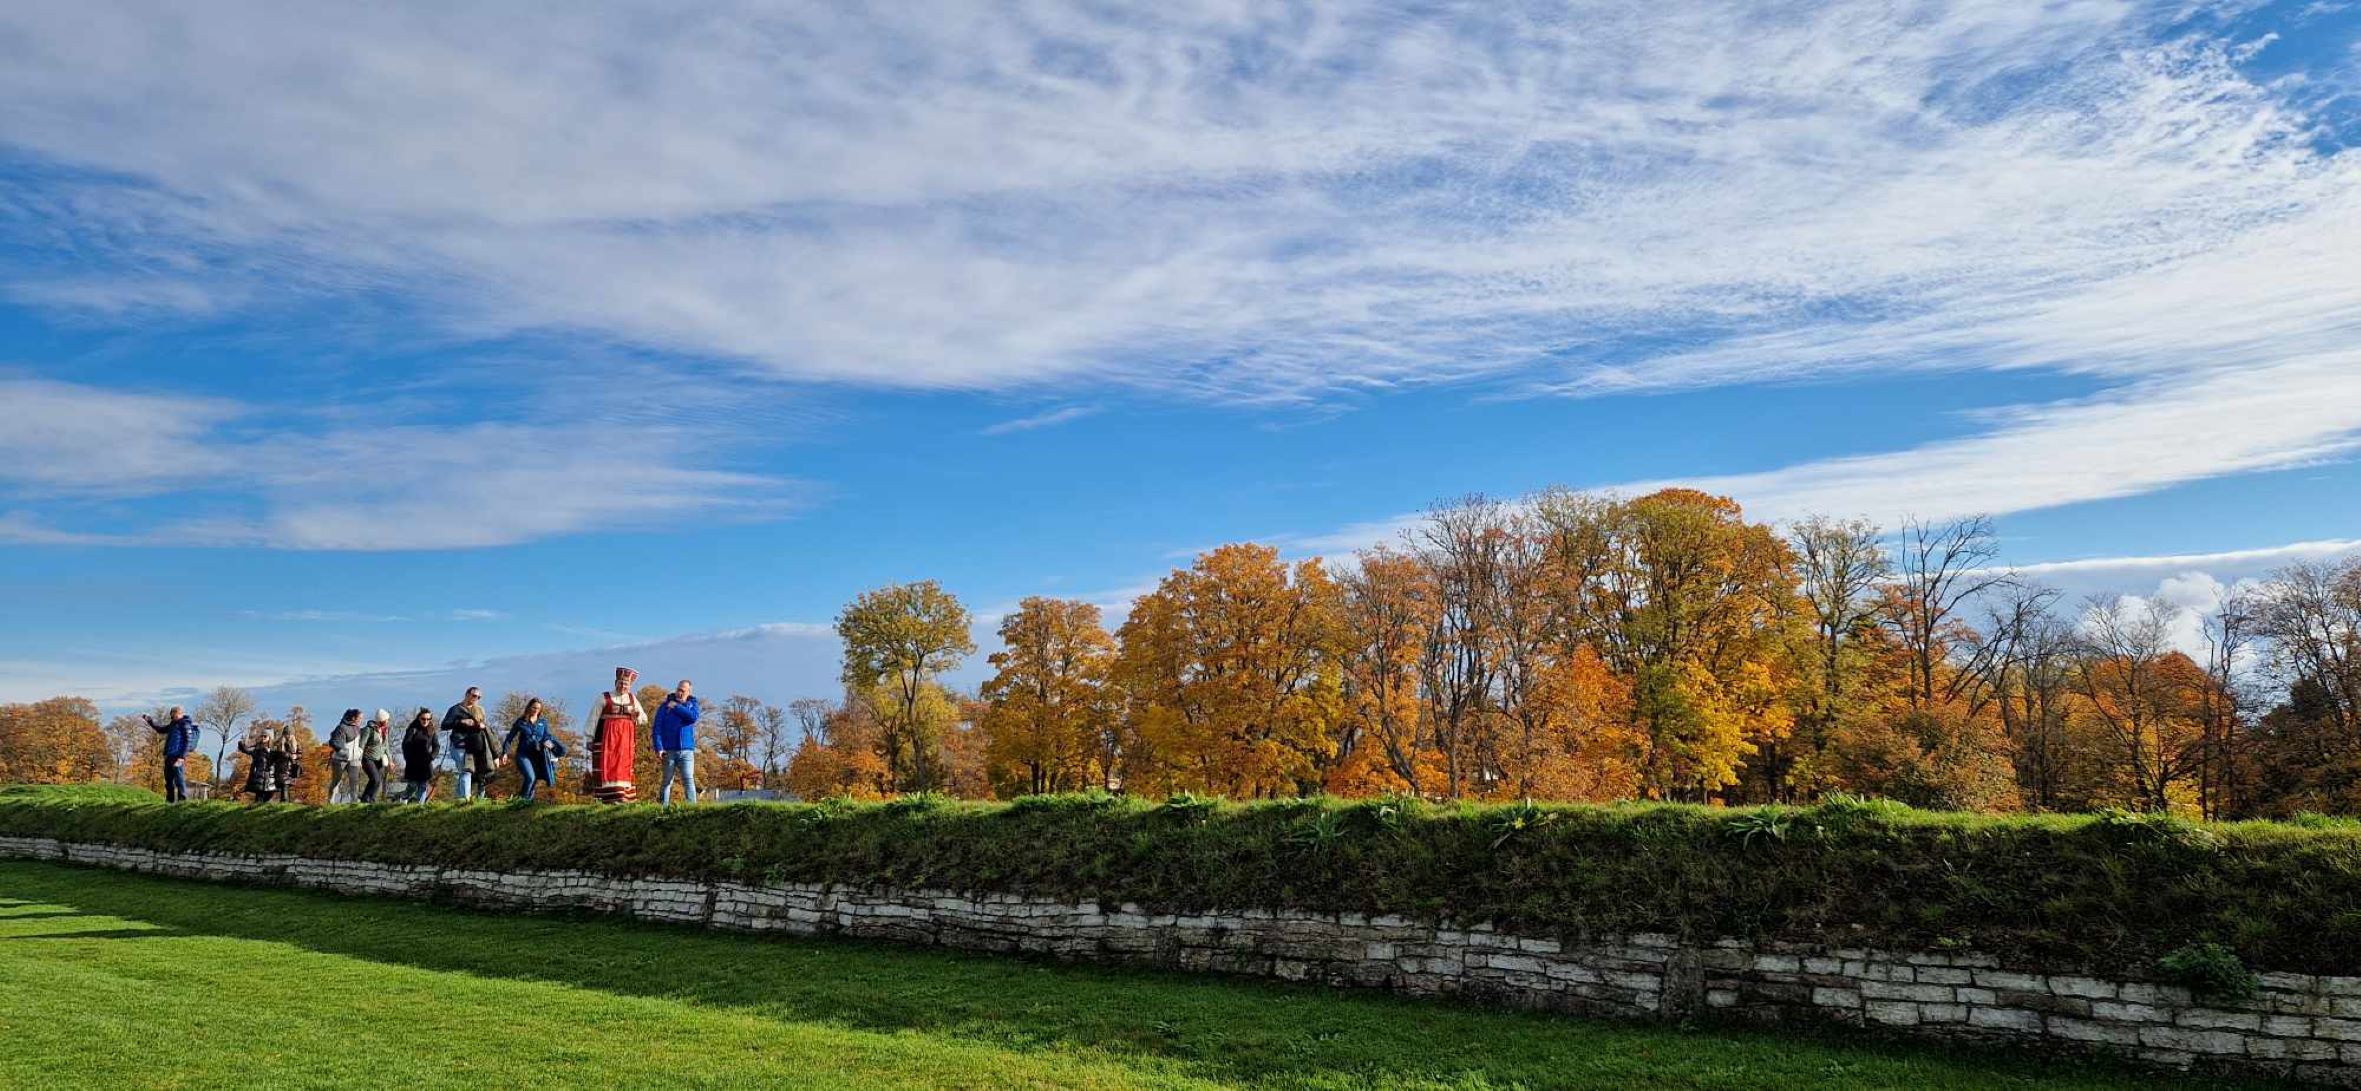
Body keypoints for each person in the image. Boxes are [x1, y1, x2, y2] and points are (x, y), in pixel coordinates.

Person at [588, 666, 645, 803]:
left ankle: (623, 796)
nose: (623, 686)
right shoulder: (604, 697)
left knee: (622, 765)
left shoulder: (632, 699)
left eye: (626, 684)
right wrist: (589, 737)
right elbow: (593, 718)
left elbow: (643, 718)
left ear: (630, 686)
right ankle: (607, 797)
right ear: (615, 683)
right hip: (606, 738)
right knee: (607, 765)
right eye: (621, 683)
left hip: (625, 740)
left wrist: (637, 715)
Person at [500, 698, 565, 802]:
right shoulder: (521, 721)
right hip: (523, 755)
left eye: (538, 708)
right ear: (529, 707)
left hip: (538, 756)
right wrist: (504, 753)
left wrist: (549, 743)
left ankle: (525, 802)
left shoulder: (543, 722)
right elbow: (509, 738)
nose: (536, 710)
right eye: (534, 707)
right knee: (530, 777)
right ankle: (521, 802)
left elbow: (547, 736)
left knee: (534, 780)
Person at [442, 686, 497, 800]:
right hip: (460, 745)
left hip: (476, 746)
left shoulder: (480, 710)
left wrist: (482, 726)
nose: (476, 698)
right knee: (465, 770)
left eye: (478, 697)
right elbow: (444, 725)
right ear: (467, 694)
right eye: (474, 695)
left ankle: (460, 799)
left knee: (476, 773)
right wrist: (461, 722)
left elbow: (486, 729)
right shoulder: (456, 709)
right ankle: (466, 798)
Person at [652, 679, 701, 805]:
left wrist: (677, 707)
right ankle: (663, 809)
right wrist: (659, 747)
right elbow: (657, 728)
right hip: (669, 750)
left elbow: (692, 717)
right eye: (678, 689)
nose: (679, 693)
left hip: (687, 751)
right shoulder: (664, 707)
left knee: (688, 779)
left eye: (683, 691)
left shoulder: (692, 705)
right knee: (667, 781)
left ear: (688, 692)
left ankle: (692, 809)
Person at [142, 706, 198, 803]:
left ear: (180, 714)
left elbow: (187, 742)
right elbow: (160, 729)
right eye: (171, 716)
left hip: (178, 756)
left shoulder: (184, 724)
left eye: (174, 715)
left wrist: (182, 757)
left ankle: (182, 800)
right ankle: (170, 800)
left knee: (179, 778)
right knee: (168, 779)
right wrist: (150, 721)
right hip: (169, 755)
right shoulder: (173, 724)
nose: (172, 717)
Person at [400, 708, 442, 803]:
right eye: (423, 718)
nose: (425, 721)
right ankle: (404, 797)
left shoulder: (432, 731)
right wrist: (408, 758)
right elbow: (405, 745)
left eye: (428, 719)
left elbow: (436, 746)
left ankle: (420, 806)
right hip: (413, 762)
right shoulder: (412, 729)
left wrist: (432, 756)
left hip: (426, 762)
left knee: (423, 785)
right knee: (413, 785)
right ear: (419, 718)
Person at [325, 709, 364, 803]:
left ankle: (354, 801)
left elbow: (359, 743)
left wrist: (360, 752)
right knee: (336, 780)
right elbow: (334, 742)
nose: (361, 720)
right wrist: (344, 752)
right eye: (360, 718)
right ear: (353, 718)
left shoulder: (358, 728)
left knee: (354, 780)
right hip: (340, 759)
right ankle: (331, 800)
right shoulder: (341, 727)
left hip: (354, 759)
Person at [236, 727, 279, 804]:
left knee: (268, 800)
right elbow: (246, 750)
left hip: (271, 779)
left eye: (265, 736)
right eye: (262, 736)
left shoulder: (275, 750)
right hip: (259, 778)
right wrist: (242, 744)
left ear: (270, 738)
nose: (263, 737)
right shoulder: (257, 750)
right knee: (258, 799)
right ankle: (252, 812)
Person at [358, 710, 392, 804]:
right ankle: (367, 799)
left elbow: (386, 746)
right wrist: (359, 759)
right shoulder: (369, 729)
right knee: (375, 779)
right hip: (368, 758)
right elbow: (361, 745)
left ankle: (369, 800)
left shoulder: (385, 730)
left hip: (379, 760)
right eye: (386, 720)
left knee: (377, 781)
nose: (387, 721)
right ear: (381, 720)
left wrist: (390, 760)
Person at [266, 721, 302, 802]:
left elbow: (300, 754)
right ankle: (284, 802)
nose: (288, 736)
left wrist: (296, 756)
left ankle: (285, 803)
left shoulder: (296, 744)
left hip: (291, 769)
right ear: (284, 734)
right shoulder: (279, 744)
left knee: (286, 786)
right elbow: (274, 754)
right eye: (286, 734)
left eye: (290, 734)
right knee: (283, 786)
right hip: (281, 768)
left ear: (293, 735)